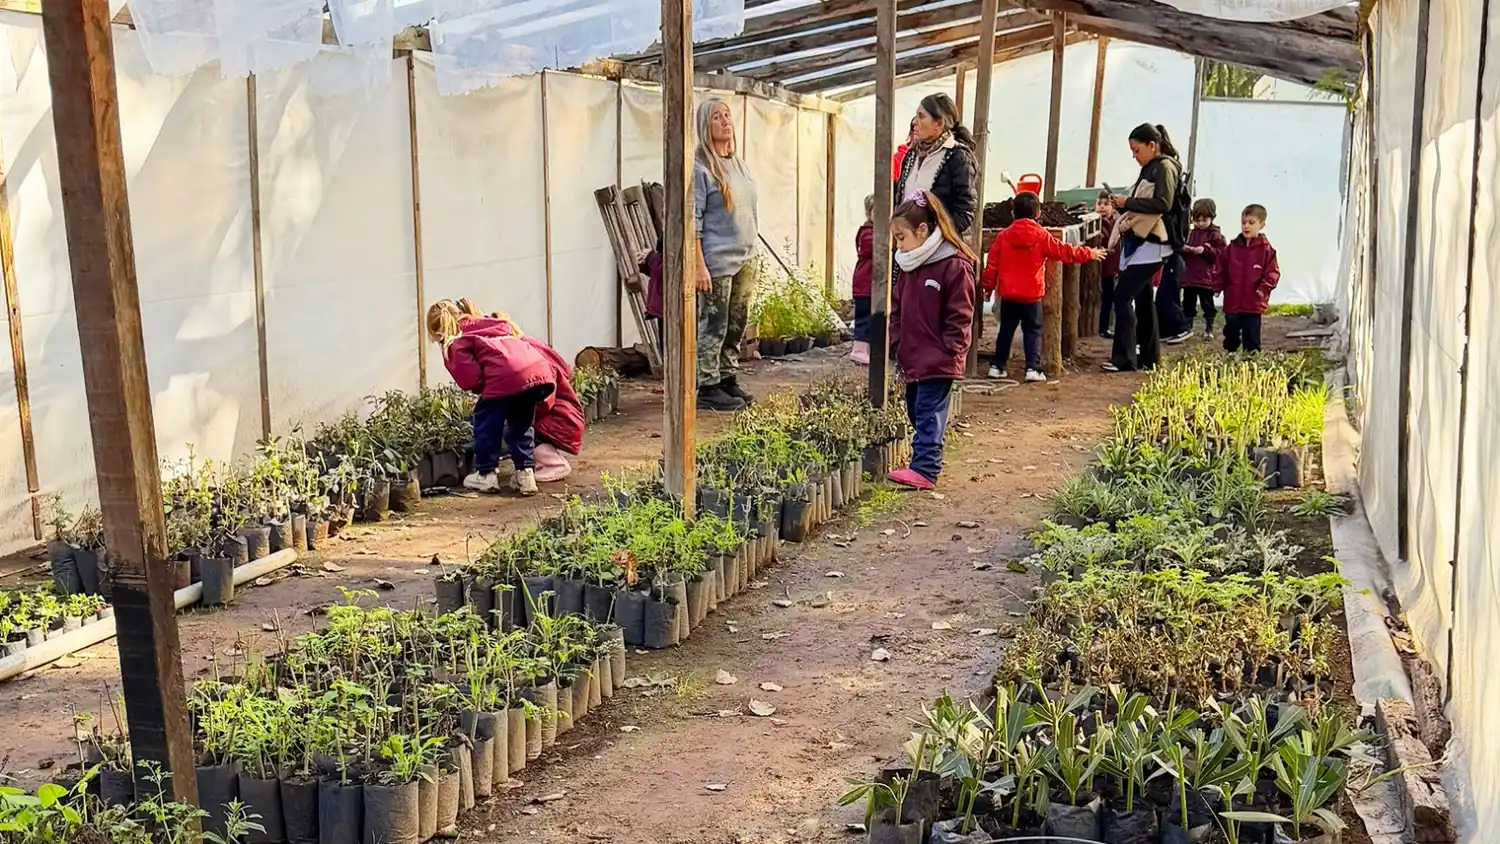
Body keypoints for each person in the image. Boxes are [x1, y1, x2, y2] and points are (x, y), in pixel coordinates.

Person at [426, 301, 581, 494]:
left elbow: (471, 380)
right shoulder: (494, 325)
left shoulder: (456, 340)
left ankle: (485, 475)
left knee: (486, 424)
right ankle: (526, 475)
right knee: (522, 424)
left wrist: (490, 387)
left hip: (505, 378)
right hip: (537, 374)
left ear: (437, 330)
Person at [886, 191, 976, 491]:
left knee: (927, 412)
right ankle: (927, 459)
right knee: (916, 410)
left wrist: (951, 348)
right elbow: (896, 307)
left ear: (922, 230)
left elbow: (961, 314)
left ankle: (925, 469)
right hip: (913, 355)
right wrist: (896, 340)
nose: (898, 246)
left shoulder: (953, 265)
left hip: (939, 359)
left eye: (901, 237)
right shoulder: (910, 266)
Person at [981, 192, 1105, 383]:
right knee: (1033, 331)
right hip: (1031, 296)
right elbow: (1064, 251)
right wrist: (1089, 253)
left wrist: (987, 288)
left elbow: (992, 265)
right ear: (1038, 213)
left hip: (1008, 295)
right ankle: (1033, 368)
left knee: (1006, 329)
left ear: (1013, 213)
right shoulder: (1041, 236)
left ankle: (997, 366)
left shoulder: (1003, 236)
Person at [693, 97, 761, 412]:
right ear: (705, 126)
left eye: (727, 115)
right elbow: (694, 222)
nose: (725, 121)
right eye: (717, 117)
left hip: (746, 257)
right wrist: (698, 266)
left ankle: (726, 377)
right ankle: (707, 386)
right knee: (714, 324)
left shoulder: (738, 163)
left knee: (736, 323)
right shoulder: (700, 169)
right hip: (718, 261)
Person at [1103, 123, 1185, 373]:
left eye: (1136, 150)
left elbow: (1163, 203)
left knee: (1122, 295)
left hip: (1154, 244)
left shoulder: (1164, 167)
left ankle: (1124, 358)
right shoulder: (1155, 166)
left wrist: (1127, 201)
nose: (1134, 156)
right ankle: (1149, 358)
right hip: (1147, 243)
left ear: (1152, 146)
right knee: (1143, 297)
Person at [893, 94, 978, 235]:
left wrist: (936, 237)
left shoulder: (958, 157)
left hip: (939, 249)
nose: (915, 122)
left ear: (938, 123)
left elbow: (965, 211)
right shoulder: (911, 155)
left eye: (921, 116)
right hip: (907, 247)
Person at [1217, 204, 1281, 353]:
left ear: (1262, 225)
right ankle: (1231, 351)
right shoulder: (1231, 248)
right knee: (1231, 330)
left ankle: (1251, 360)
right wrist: (1216, 286)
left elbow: (1273, 272)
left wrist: (1264, 288)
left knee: (1251, 335)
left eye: (1251, 223)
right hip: (1232, 301)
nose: (1246, 226)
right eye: (1243, 222)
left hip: (1253, 303)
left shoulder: (1266, 250)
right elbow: (1221, 268)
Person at [1180, 198, 1228, 340]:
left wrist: (1206, 250)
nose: (1200, 223)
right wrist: (1185, 250)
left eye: (1204, 220)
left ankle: (1209, 328)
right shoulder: (1190, 234)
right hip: (1189, 277)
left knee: (1208, 305)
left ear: (1212, 218)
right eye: (1197, 220)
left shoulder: (1215, 235)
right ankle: (1187, 328)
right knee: (1188, 304)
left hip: (1206, 278)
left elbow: (1221, 253)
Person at [850, 194, 875, 365]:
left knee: (872, 319)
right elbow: (877, 246)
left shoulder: (871, 231)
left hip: (869, 285)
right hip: (865, 286)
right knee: (863, 318)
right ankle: (858, 350)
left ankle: (866, 349)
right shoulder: (867, 234)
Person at [1095, 190, 1121, 338]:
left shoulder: (1116, 223)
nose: (1102, 207)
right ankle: (1100, 327)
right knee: (1100, 300)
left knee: (1109, 299)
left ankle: (1105, 327)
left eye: (1106, 204)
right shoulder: (1096, 223)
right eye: (1099, 204)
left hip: (1111, 269)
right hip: (1099, 268)